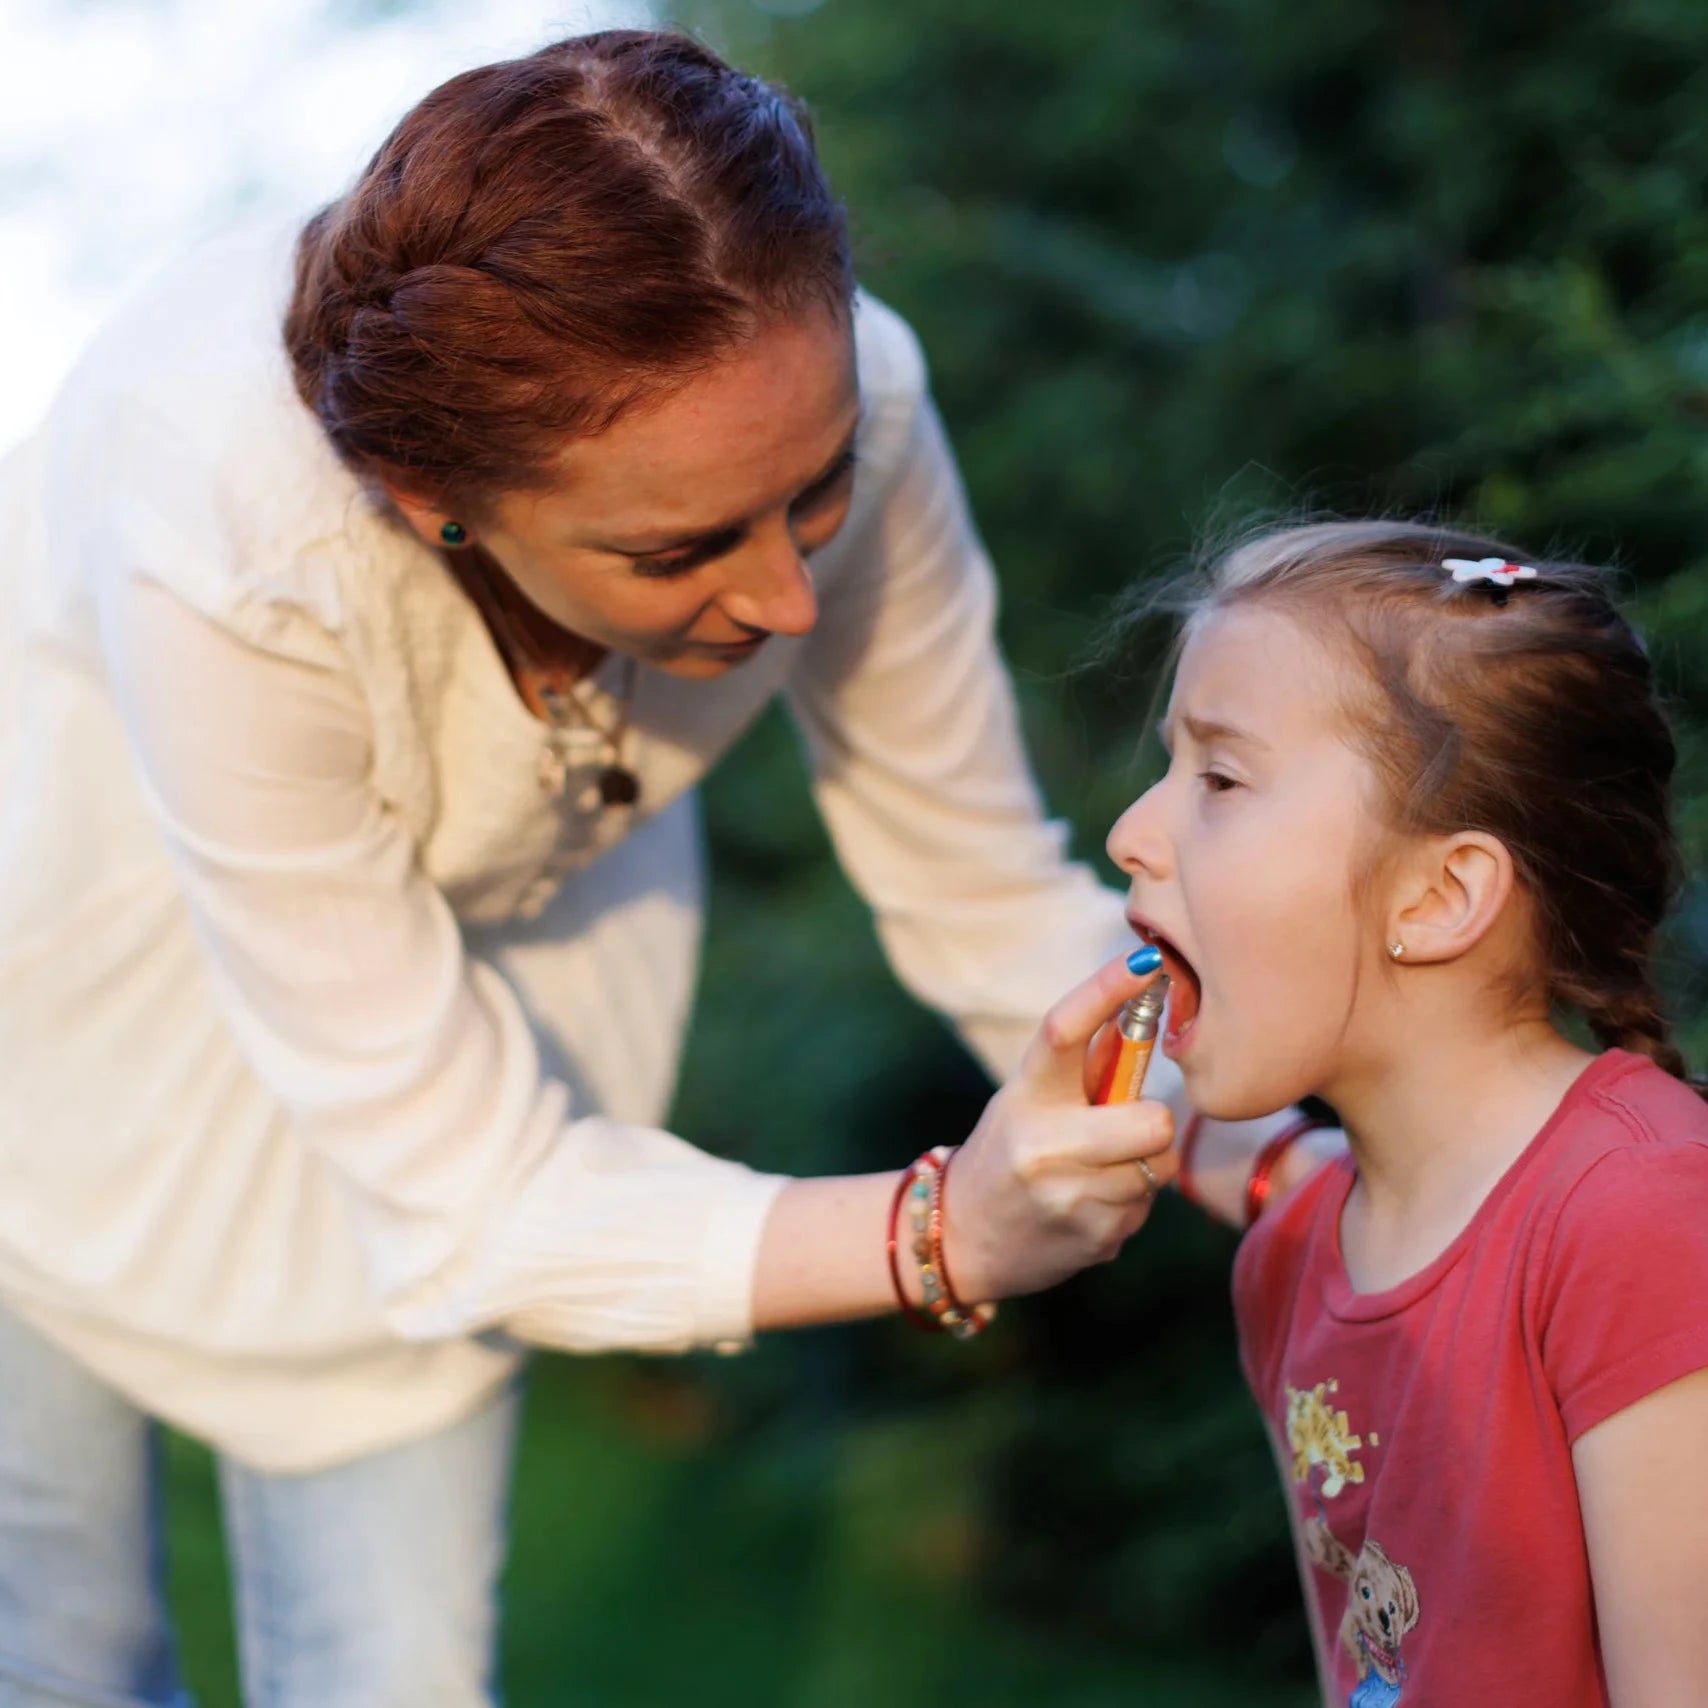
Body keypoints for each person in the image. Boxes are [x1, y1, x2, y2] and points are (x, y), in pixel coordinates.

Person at [0, 29, 1329, 1706]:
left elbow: (981, 888)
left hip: (494, 1029)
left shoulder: (861, 400)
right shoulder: (225, 525)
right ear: (434, 501)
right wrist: (944, 1231)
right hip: (67, 1024)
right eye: (677, 547)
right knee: (61, 1652)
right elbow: (467, 1195)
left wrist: (1297, 1165)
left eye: (814, 492)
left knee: (391, 1674)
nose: (785, 601)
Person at [1105, 519, 1708, 1706]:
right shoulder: (1290, 1253)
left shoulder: (1640, 1219)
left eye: (1218, 779)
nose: (1129, 831)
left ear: (1439, 896)